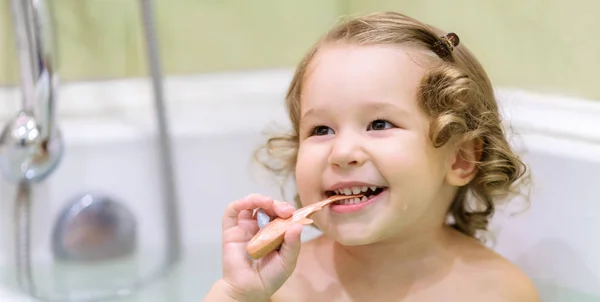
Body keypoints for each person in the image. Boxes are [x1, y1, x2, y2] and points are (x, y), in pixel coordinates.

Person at [203, 11, 540, 302]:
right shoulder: (281, 284)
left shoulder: (497, 292)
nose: (342, 152)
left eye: (379, 124)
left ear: (460, 159)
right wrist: (236, 293)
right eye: (321, 130)